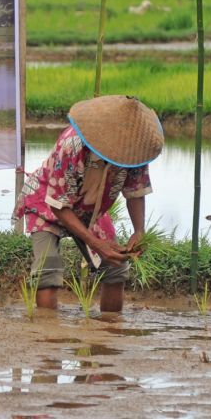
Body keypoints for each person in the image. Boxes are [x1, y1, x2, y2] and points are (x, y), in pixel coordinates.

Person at [15, 95, 163, 314]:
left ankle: (109, 333)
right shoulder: (72, 144)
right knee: (48, 268)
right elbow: (59, 205)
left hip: (90, 210)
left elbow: (135, 192)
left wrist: (139, 230)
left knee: (116, 268)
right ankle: (47, 339)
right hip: (46, 203)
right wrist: (95, 243)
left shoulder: (135, 151)